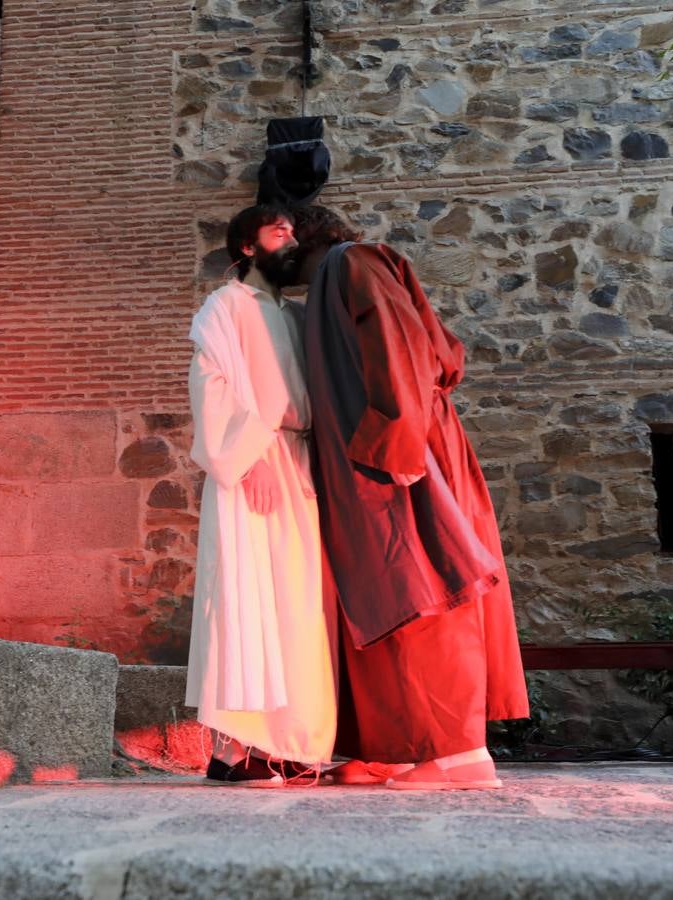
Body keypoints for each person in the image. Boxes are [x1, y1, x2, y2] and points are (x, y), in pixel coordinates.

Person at [293, 205, 529, 790]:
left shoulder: (353, 262)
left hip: (401, 455)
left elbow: (401, 346)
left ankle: (456, 756)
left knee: (424, 586)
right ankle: (394, 748)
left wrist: (395, 447)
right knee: (381, 595)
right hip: (377, 457)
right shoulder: (333, 278)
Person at [184, 204, 337, 785]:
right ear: (248, 247)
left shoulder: (294, 315)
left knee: (296, 606)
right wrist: (249, 460)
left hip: (298, 462)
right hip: (251, 464)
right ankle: (232, 753)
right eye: (280, 232)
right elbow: (211, 382)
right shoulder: (226, 306)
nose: (292, 240)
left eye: (294, 232)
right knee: (245, 598)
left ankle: (291, 745)